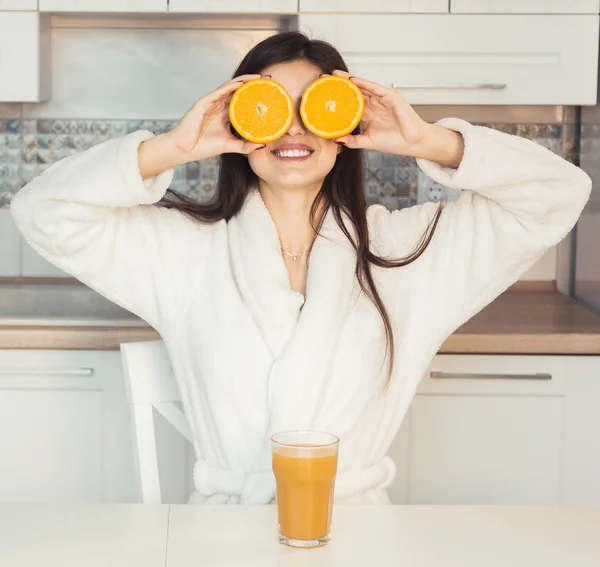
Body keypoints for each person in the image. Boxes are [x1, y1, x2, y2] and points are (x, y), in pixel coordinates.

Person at [11, 31, 591, 505]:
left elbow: (560, 192)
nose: (292, 127)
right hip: (224, 537)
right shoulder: (186, 253)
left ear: (345, 129)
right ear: (240, 123)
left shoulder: (409, 254)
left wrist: (425, 139)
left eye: (315, 108)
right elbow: (43, 212)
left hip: (356, 536)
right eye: (267, 107)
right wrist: (177, 147)